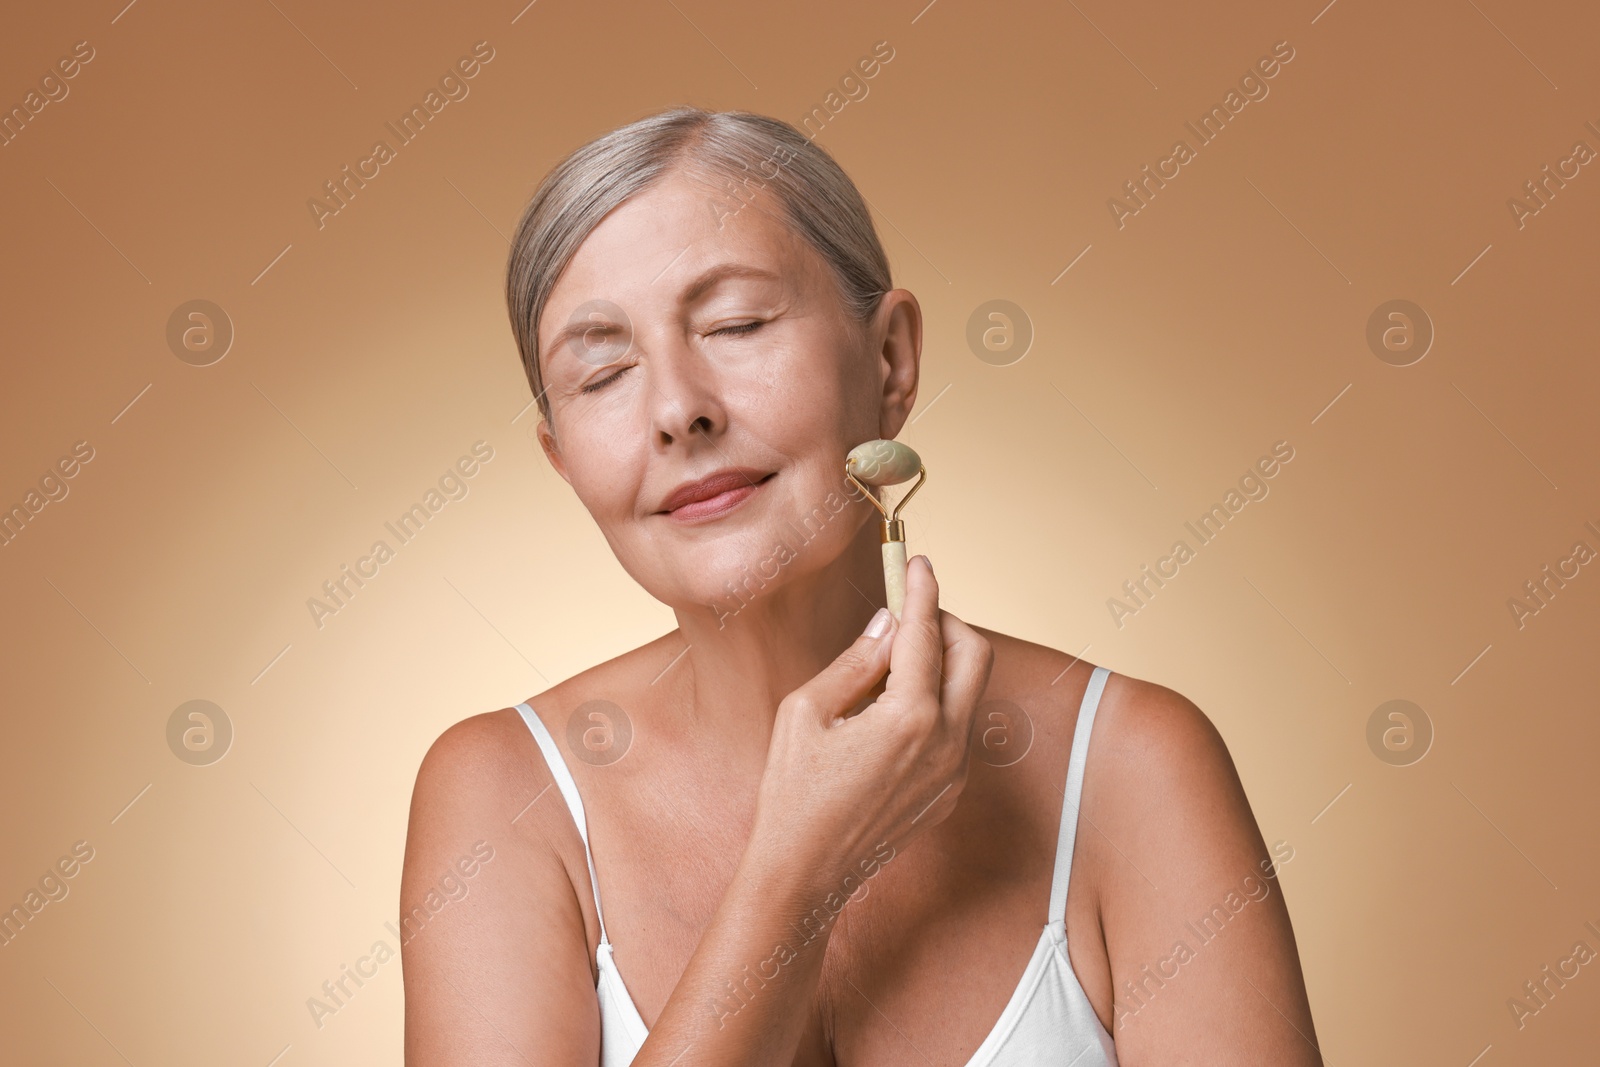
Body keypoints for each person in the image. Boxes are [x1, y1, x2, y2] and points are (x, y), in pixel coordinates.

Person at [399, 106, 1321, 1066]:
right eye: (602, 373)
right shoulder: (504, 795)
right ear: (561, 458)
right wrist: (798, 870)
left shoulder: (1133, 768)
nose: (678, 409)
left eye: (736, 323)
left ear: (891, 359)